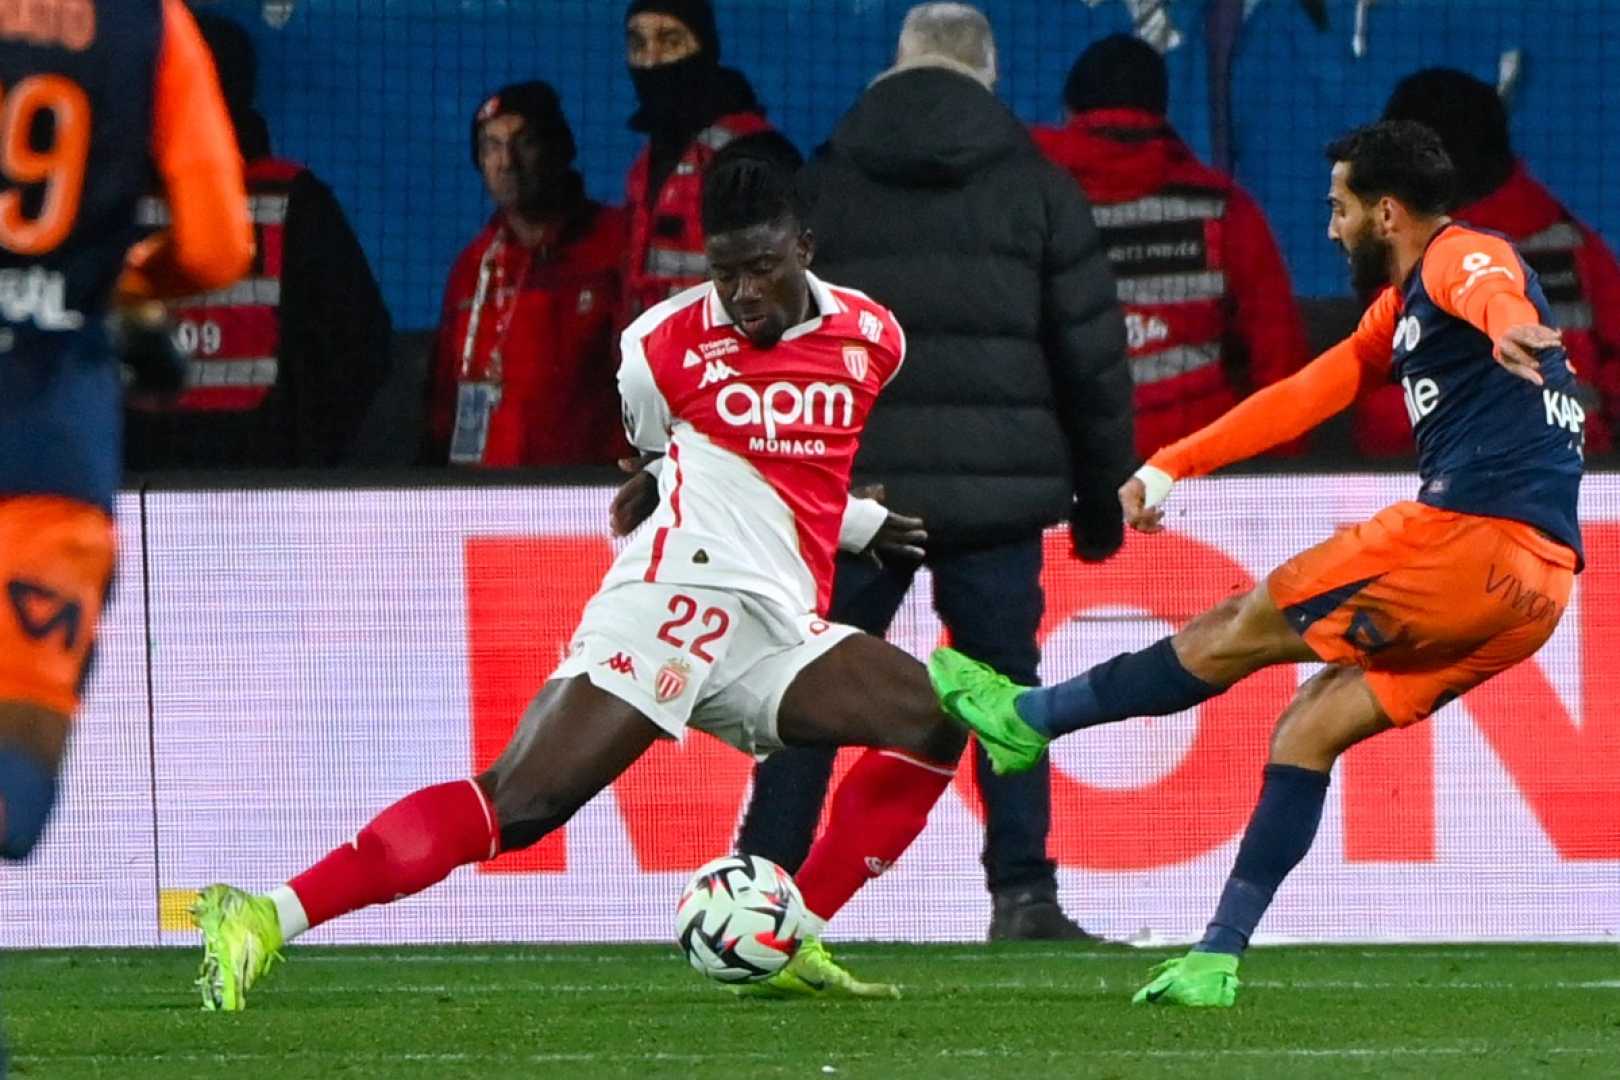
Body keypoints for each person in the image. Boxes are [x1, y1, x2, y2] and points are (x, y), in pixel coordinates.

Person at [190, 155, 970, 1012]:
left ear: (804, 248)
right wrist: (656, 479)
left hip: (776, 623)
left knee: (932, 718)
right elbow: (666, 455)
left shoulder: (874, 338)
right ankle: (264, 914)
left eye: (762, 268)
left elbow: (794, 470)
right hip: (676, 599)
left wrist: (855, 522)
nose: (744, 294)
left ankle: (793, 935)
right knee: (522, 803)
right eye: (724, 272)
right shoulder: (659, 347)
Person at [931, 120, 1584, 1006]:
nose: (1330, 228)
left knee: (1234, 627)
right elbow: (1306, 394)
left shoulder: (1458, 257)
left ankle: (1027, 717)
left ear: (1387, 214)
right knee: (1309, 728)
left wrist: (1509, 328)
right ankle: (1216, 958)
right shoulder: (1401, 312)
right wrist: (1172, 464)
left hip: (1468, 541)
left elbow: (1492, 286)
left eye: (1340, 209)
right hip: (1536, 595)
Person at [733, 3, 1133, 942]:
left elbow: (766, 342)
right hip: (998, 491)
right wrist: (1101, 497)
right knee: (1004, 690)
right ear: (987, 73)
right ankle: (1025, 895)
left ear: (898, 65)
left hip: (858, 493)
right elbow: (1092, 360)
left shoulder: (820, 187)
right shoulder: (1038, 186)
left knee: (808, 684)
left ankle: (758, 884)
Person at [0, 0, 251, 1061]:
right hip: (44, 447)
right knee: (11, 801)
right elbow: (219, 243)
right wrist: (122, 288)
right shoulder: (148, 25)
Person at [122, 9, 391, 469]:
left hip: (241, 487)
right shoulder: (112, 196)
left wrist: (300, 457)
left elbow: (359, 344)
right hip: (152, 486)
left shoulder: (291, 199)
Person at [1032, 33, 1309, 459]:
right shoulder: (1223, 208)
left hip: (1064, 463)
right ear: (1162, 113)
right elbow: (1278, 349)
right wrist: (1279, 469)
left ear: (1070, 111)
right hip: (1194, 469)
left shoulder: (1025, 202)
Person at [1349, 67, 1619, 458]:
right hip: (1577, 476)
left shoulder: (1413, 267)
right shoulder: (1576, 246)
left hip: (1450, 480)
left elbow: (1383, 417)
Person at [426, 82, 628, 467]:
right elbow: (443, 404)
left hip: (592, 491)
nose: (507, 162)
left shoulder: (616, 245)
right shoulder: (473, 267)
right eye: (491, 146)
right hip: (487, 492)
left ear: (560, 150)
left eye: (525, 143)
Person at [622, 0, 801, 321]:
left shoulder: (753, 155)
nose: (649, 60)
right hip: (657, 348)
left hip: (725, 350)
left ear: (704, 48)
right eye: (638, 44)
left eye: (670, 42)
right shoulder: (648, 162)